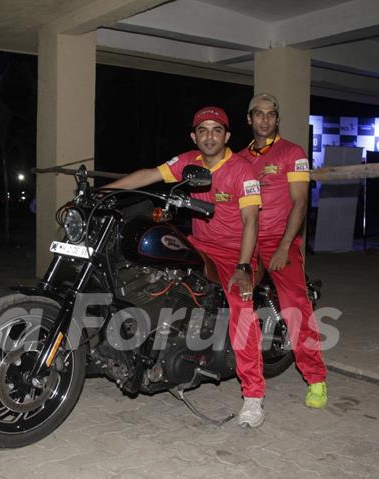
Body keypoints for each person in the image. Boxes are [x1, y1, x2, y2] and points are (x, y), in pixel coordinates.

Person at [104, 106, 267, 428]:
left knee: (240, 306)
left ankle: (253, 395)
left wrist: (243, 266)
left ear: (227, 136)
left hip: (237, 250)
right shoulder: (187, 162)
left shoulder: (241, 170)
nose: (209, 136)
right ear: (194, 136)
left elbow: (251, 221)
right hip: (200, 243)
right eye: (203, 130)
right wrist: (101, 194)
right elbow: (148, 174)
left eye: (216, 130)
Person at [238, 93, 328, 408]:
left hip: (280, 238)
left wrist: (285, 246)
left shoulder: (293, 152)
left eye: (271, 114)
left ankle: (316, 379)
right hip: (247, 238)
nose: (265, 119)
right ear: (249, 119)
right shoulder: (238, 158)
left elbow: (301, 202)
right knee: (235, 298)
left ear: (277, 119)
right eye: (259, 114)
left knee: (294, 306)